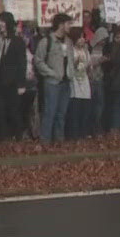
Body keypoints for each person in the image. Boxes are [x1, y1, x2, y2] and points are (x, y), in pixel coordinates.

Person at [33, 15, 76, 143]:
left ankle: (59, 140)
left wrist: (71, 73)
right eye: (68, 23)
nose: (70, 26)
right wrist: (50, 72)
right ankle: (45, 140)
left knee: (61, 113)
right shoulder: (46, 41)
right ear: (61, 25)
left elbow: (71, 59)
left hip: (66, 81)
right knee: (49, 112)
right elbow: (38, 60)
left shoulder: (68, 41)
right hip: (52, 82)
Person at [0, 14, 32, 141]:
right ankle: (3, 138)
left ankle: (18, 137)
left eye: (3, 21)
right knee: (0, 112)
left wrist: (21, 84)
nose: (0, 24)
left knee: (14, 112)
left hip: (12, 83)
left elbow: (22, 63)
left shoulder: (17, 41)